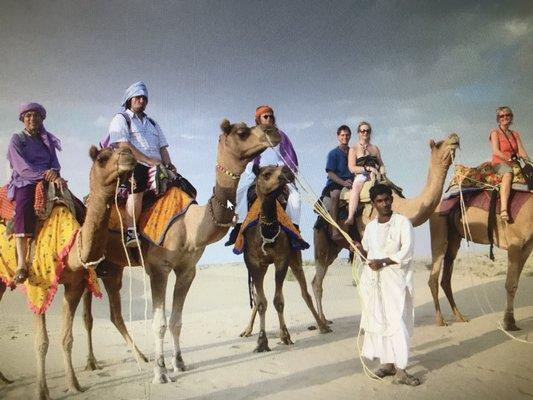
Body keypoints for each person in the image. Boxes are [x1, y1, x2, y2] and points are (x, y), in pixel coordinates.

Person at [353, 184, 419, 386]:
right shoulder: (371, 227)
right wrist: (357, 248)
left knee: (397, 322)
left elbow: (407, 252)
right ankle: (388, 364)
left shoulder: (402, 223)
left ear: (391, 199)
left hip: (395, 282)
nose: (385, 204)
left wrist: (383, 262)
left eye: (387, 199)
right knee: (379, 321)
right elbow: (366, 253)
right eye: (380, 201)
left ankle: (401, 370)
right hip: (374, 283)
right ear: (373, 204)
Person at [108, 81, 175, 246]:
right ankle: (131, 232)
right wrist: (148, 161)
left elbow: (163, 148)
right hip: (133, 164)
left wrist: (169, 164)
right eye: (138, 97)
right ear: (130, 99)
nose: (142, 101)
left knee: (182, 186)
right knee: (136, 185)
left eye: (144, 98)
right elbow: (123, 145)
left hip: (157, 166)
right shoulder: (121, 119)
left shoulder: (152, 123)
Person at [7, 102, 65, 284]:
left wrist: (54, 173)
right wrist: (43, 175)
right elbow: (21, 167)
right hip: (26, 180)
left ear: (42, 119)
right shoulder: (18, 140)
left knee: (73, 205)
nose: (32, 119)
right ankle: (22, 264)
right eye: (28, 116)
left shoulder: (47, 141)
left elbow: (55, 163)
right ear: (23, 119)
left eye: (36, 116)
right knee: (24, 207)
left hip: (49, 179)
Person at [234, 105, 300, 226]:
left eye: (271, 116)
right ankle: (238, 227)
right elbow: (246, 158)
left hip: (278, 174)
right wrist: (253, 167)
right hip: (258, 174)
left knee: (295, 198)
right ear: (258, 119)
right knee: (237, 195)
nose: (268, 119)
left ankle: (294, 227)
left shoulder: (281, 136)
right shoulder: (252, 137)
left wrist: (277, 168)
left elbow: (290, 158)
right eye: (265, 116)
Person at [489, 106, 530, 222]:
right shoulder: (495, 132)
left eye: (507, 115)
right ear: (498, 119)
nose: (505, 117)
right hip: (499, 164)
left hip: (513, 163)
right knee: (508, 174)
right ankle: (503, 209)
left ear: (511, 117)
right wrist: (508, 158)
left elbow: (521, 151)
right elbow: (496, 151)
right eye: (502, 116)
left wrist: (529, 162)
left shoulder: (515, 134)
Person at [345, 121, 385, 226]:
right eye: (362, 131)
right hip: (362, 175)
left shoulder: (375, 149)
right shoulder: (353, 149)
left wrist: (382, 171)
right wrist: (367, 169)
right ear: (359, 133)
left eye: (367, 130)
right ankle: (350, 216)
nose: (365, 133)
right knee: (356, 188)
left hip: (376, 175)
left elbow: (381, 163)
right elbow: (352, 168)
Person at [322, 125, 353, 241]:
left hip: (351, 182)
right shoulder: (333, 153)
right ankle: (335, 230)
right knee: (335, 195)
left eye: (347, 135)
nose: (345, 137)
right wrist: (343, 183)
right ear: (338, 137)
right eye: (342, 135)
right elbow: (330, 173)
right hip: (336, 182)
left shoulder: (353, 152)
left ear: (350, 136)